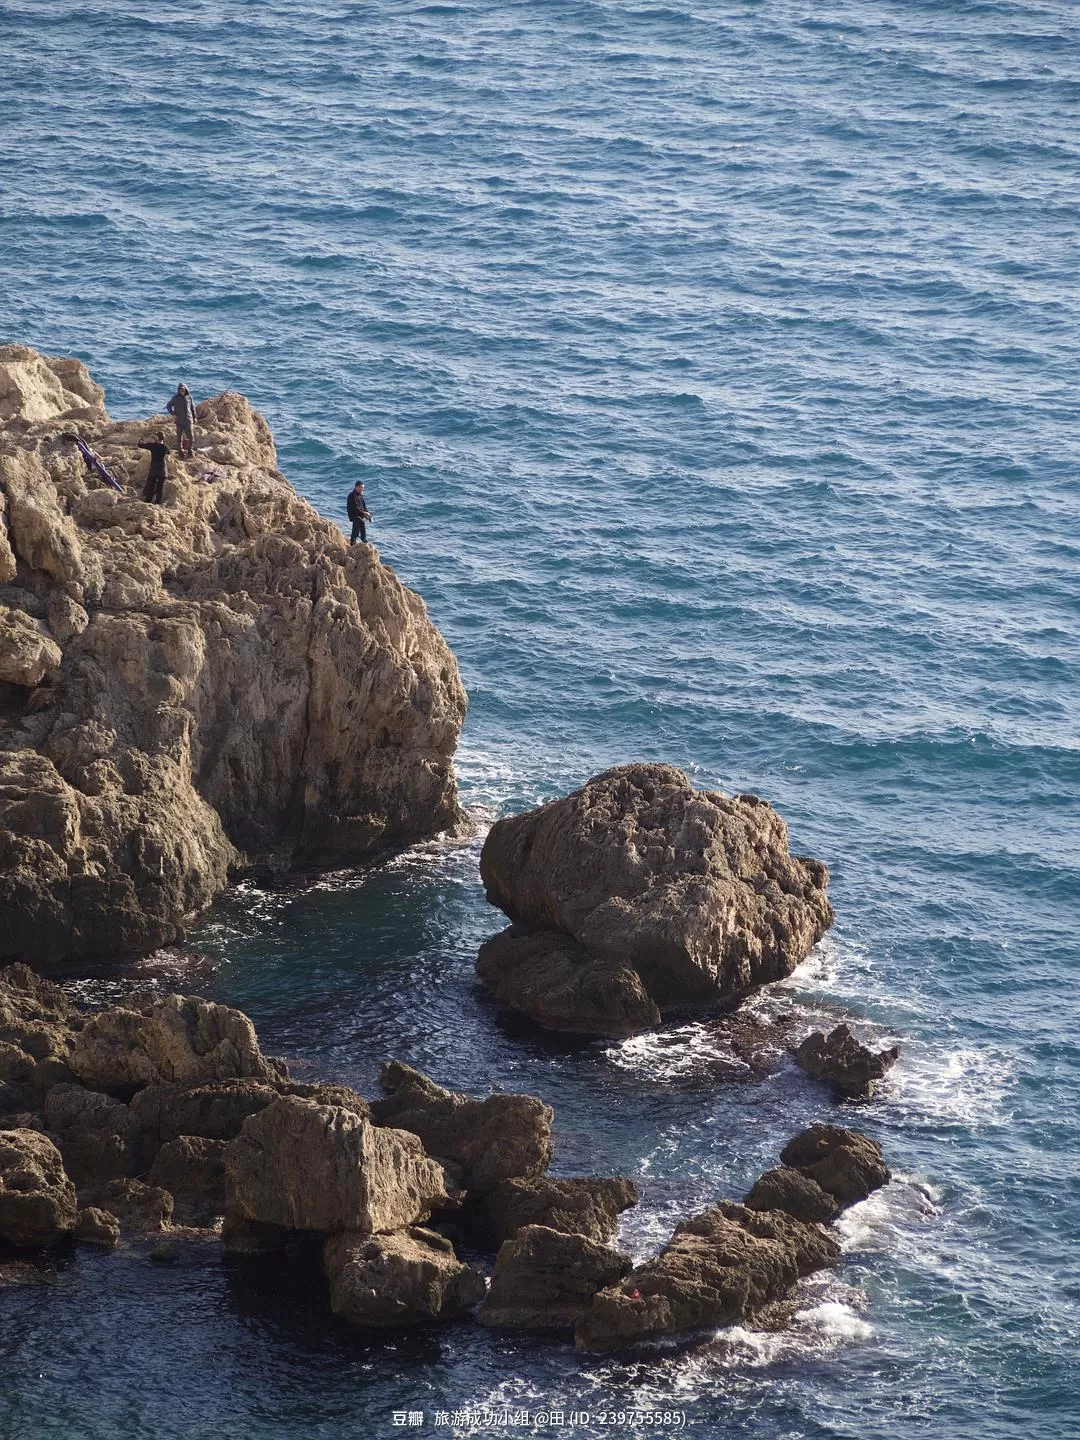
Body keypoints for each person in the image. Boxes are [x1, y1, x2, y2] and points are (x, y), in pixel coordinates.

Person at [138, 430, 170, 503]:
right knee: (160, 487)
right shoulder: (164, 447)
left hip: (154, 468)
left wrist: (141, 440)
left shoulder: (153, 446)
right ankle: (158, 502)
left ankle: (148, 501)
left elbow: (140, 445)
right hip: (162, 468)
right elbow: (169, 451)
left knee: (151, 485)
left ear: (158, 438)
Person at [166, 383, 197, 458]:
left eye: (183, 389)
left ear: (186, 390)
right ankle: (180, 451)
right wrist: (173, 413)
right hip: (179, 421)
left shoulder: (189, 397)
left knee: (191, 437)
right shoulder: (175, 398)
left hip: (188, 420)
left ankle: (190, 450)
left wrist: (194, 417)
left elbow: (192, 408)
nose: (181, 391)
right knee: (179, 438)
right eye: (180, 390)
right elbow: (168, 406)